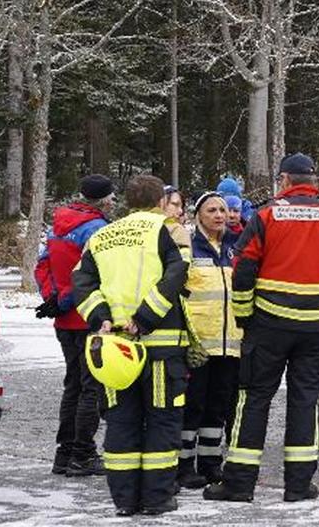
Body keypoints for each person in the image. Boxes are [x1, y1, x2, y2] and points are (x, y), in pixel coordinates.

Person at [203, 153, 319, 504]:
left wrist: (244, 317)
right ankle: (300, 485)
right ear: (314, 181)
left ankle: (239, 483)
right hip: (317, 326)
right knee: (305, 401)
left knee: (254, 399)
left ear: (285, 181)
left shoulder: (265, 216)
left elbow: (243, 269)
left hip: (269, 325)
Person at [72, 173, 190, 517]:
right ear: (159, 202)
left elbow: (81, 282)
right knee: (162, 421)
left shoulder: (102, 234)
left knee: (121, 423)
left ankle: (124, 500)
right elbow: (177, 274)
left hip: (115, 350)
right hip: (158, 345)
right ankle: (156, 498)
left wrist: (101, 318)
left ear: (126, 201)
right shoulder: (165, 230)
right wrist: (146, 316)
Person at [35, 174, 114, 477]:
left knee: (73, 386)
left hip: (64, 318)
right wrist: (68, 300)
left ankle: (64, 453)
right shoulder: (98, 229)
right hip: (89, 316)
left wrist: (54, 298)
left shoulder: (58, 225)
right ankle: (82, 454)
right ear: (104, 200)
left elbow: (42, 266)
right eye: (111, 197)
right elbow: (96, 274)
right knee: (91, 388)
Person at [178, 191, 242, 489]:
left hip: (230, 343)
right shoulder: (189, 247)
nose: (220, 215)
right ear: (198, 216)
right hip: (199, 343)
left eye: (224, 210)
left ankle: (211, 462)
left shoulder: (234, 247)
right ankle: (184, 464)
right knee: (193, 405)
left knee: (218, 406)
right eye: (213, 210)